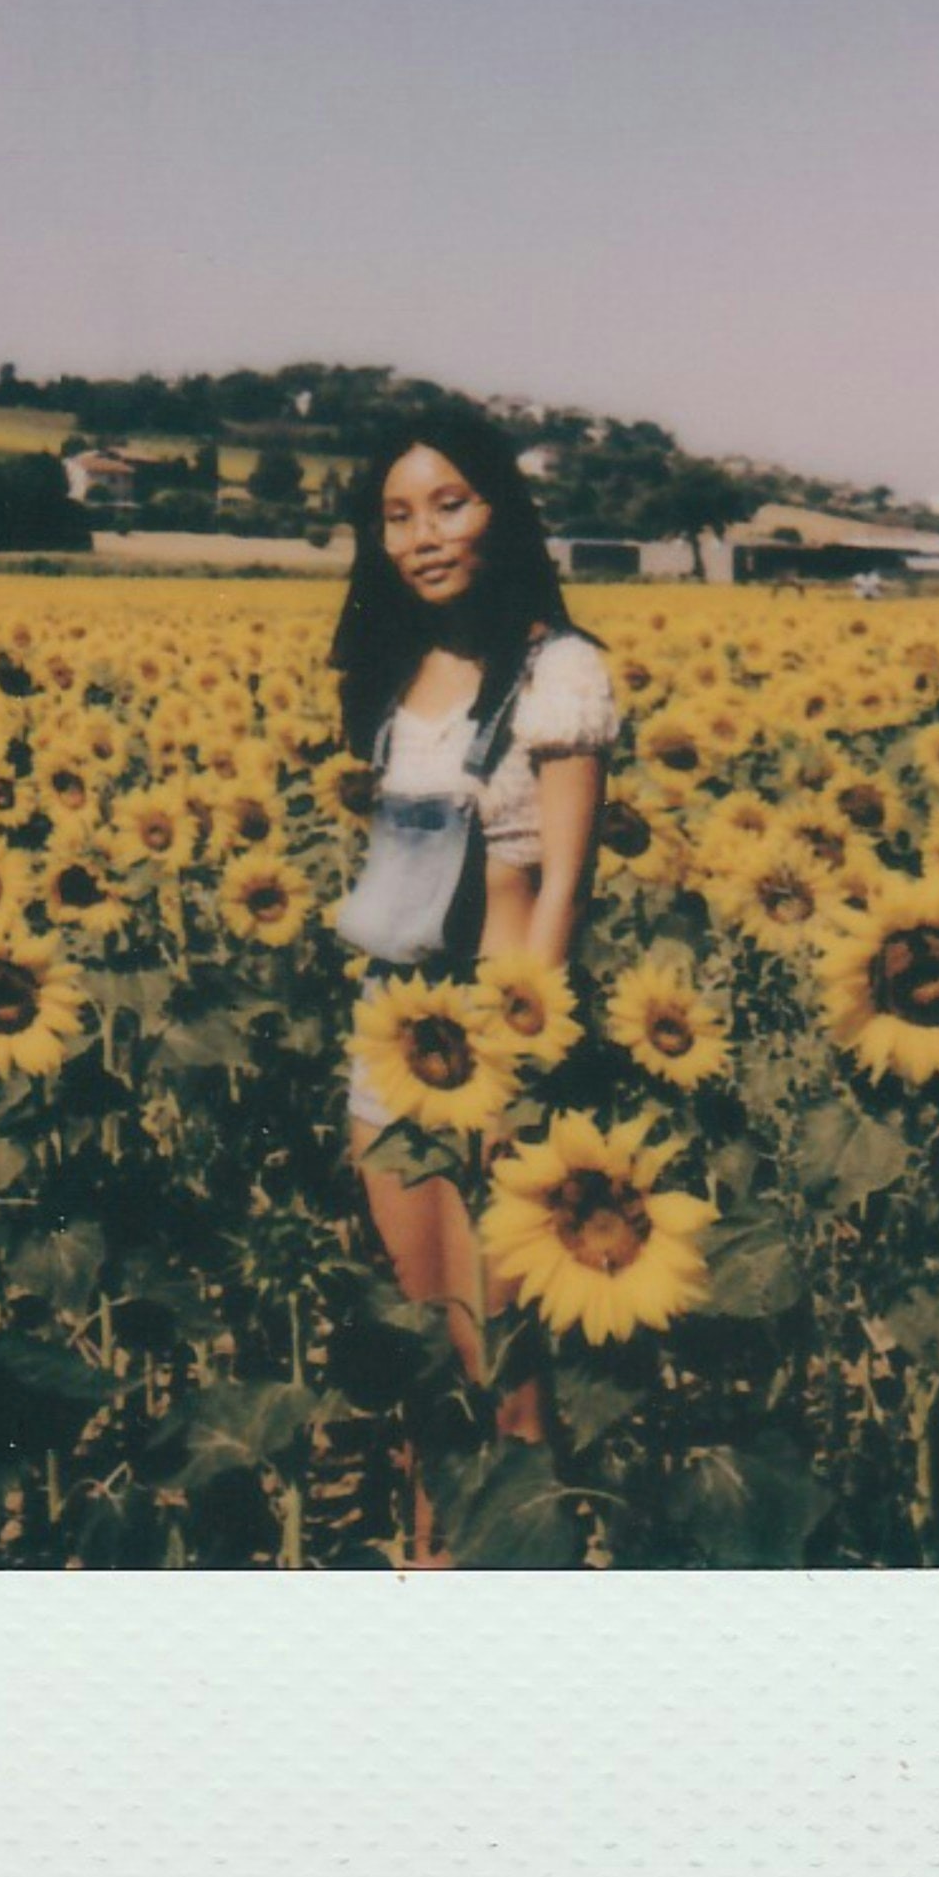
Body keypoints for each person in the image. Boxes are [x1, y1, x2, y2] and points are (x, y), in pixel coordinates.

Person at [326, 405, 617, 1564]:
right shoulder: (397, 673)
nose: (422, 534)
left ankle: (526, 1572)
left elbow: (560, 886)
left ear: (499, 509)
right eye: (396, 515)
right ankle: (429, 1558)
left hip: (498, 1036)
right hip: (391, 1034)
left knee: (507, 1350)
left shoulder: (559, 668)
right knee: (420, 1333)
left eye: (449, 503)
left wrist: (520, 1056)